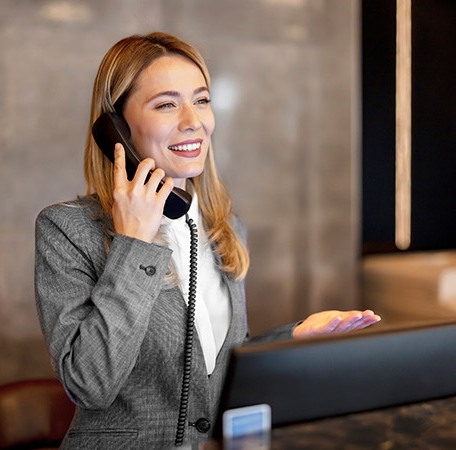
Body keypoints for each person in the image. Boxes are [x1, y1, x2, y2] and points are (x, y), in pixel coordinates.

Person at [34, 32, 381, 449]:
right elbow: (89, 383)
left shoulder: (223, 226)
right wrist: (135, 243)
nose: (193, 121)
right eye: (166, 104)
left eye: (201, 100)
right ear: (117, 129)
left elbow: (212, 363)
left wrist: (292, 340)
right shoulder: (67, 231)